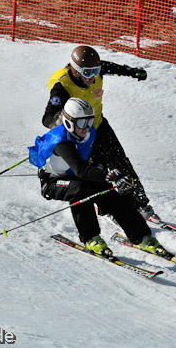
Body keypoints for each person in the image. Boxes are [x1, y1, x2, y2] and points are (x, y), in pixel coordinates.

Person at [41, 45, 161, 222]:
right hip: (80, 134)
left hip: (99, 126)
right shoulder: (62, 86)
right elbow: (47, 118)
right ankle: (109, 209)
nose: (92, 77)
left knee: (121, 163)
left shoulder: (96, 71)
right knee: (99, 171)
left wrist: (133, 72)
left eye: (96, 71)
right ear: (76, 71)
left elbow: (113, 67)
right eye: (88, 72)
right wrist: (60, 123)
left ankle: (140, 204)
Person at [29, 98, 162, 255]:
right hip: (53, 183)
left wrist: (114, 176)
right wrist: (107, 176)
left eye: (89, 121)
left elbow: (96, 160)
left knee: (108, 189)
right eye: (81, 123)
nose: (86, 128)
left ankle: (142, 236)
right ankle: (90, 237)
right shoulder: (62, 142)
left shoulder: (89, 133)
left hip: (75, 176)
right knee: (81, 189)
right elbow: (81, 170)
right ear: (69, 122)